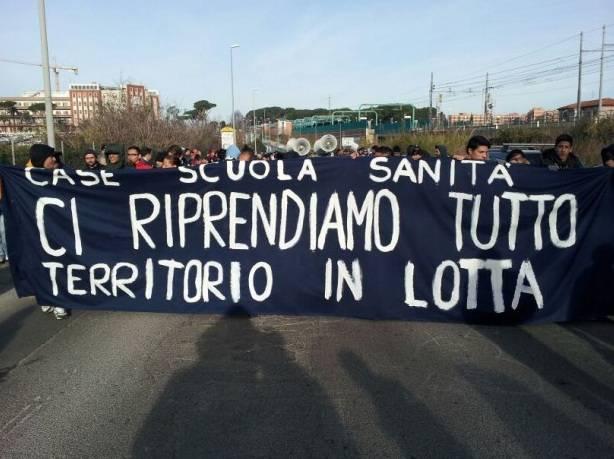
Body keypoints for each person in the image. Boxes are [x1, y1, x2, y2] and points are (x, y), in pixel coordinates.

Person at [28, 144, 70, 319]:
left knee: (59, 265)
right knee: (43, 265)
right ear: (41, 160)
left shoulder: (62, 175)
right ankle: (47, 297)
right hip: (36, 231)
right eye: (50, 156)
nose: (54, 159)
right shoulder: (26, 179)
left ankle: (59, 301)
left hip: (59, 230)